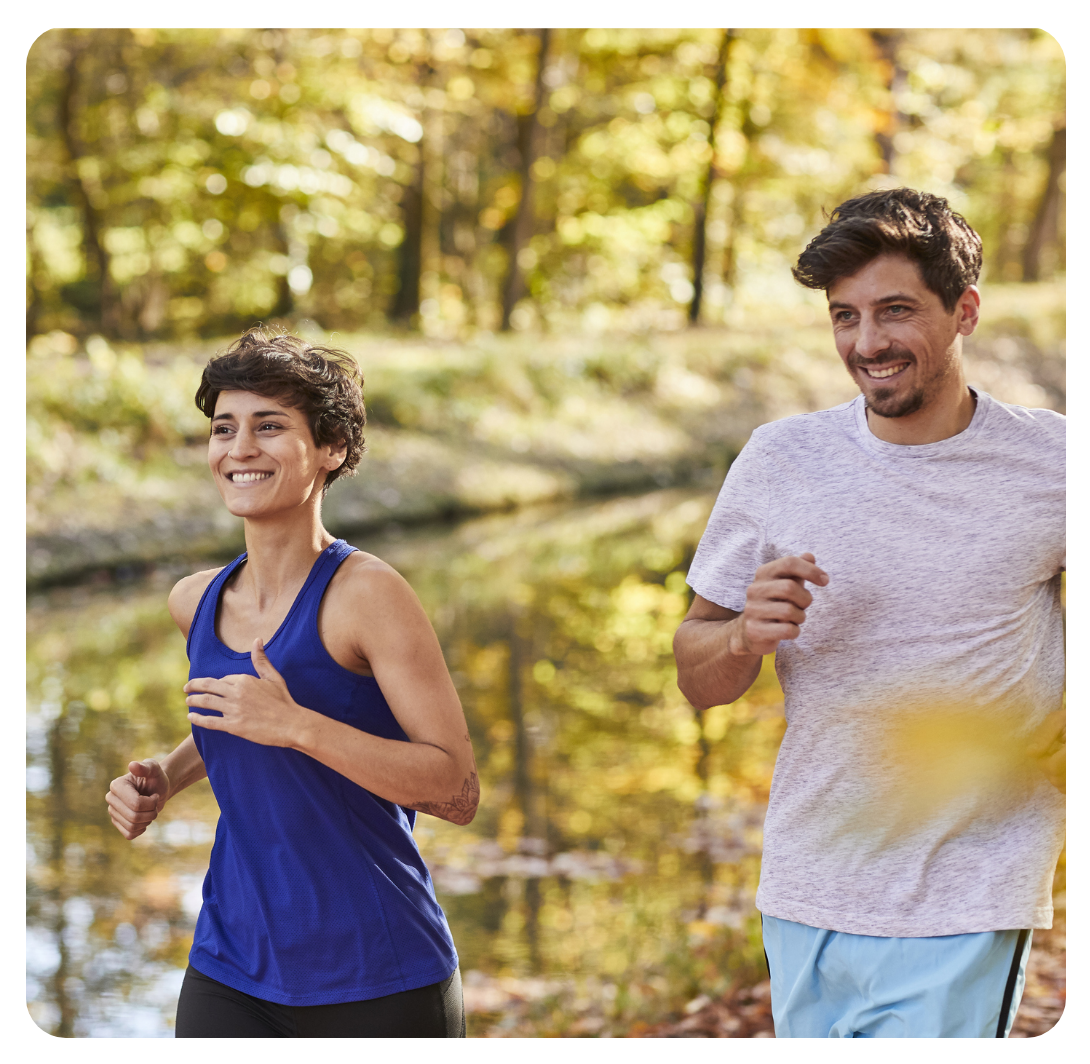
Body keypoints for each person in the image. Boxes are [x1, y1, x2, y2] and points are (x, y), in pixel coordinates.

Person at [673, 188, 1065, 1038]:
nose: (867, 343)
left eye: (894, 312)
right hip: (807, 883)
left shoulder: (1050, 463)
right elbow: (697, 675)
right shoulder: (782, 458)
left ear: (964, 311)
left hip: (968, 893)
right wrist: (743, 635)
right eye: (844, 317)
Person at [105, 330, 477, 1038]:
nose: (239, 448)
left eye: (268, 426)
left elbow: (456, 789)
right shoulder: (196, 601)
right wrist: (168, 772)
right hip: (230, 967)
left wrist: (297, 725)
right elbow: (239, 714)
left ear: (331, 447)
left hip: (377, 975)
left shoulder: (366, 595)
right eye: (223, 428)